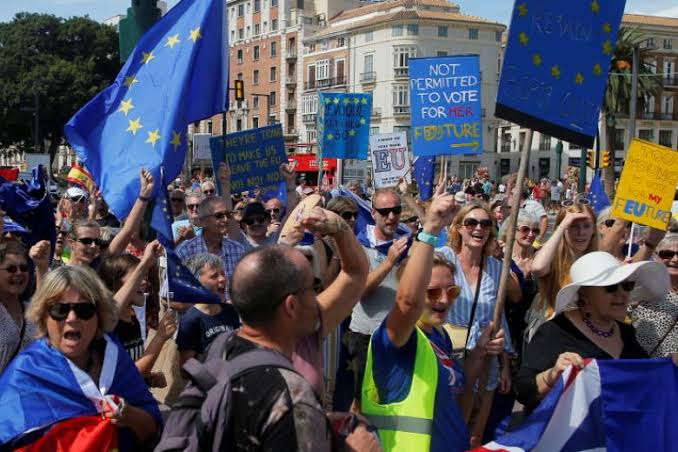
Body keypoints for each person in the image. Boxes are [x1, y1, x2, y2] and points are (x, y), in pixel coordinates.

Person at [214, 206, 374, 450]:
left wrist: (340, 230)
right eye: (313, 286)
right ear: (291, 305)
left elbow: (354, 273)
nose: (319, 293)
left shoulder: (222, 348)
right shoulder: (289, 392)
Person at [361, 191, 505, 451]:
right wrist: (430, 229)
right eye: (431, 292)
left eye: (452, 291)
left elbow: (458, 395)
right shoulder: (395, 338)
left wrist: (477, 355)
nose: (443, 300)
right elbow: (407, 303)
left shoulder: (440, 336)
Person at [0, 266, 161, 449]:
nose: (71, 318)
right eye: (60, 310)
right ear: (44, 316)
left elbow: (152, 430)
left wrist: (130, 416)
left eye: (84, 309)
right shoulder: (25, 374)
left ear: (99, 316)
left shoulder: (114, 359)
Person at [515, 251, 669, 413]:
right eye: (611, 287)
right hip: (573, 435)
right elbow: (523, 391)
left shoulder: (626, 332)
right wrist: (552, 375)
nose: (622, 294)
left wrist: (667, 364)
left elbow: (643, 376)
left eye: (627, 285)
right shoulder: (555, 331)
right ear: (584, 295)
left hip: (616, 433)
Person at [437, 202, 517, 445]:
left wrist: (504, 362)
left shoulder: (497, 269)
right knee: (446, 428)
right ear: (458, 228)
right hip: (448, 358)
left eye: (485, 224)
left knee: (474, 436)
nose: (478, 228)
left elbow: (499, 315)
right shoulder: (443, 258)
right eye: (471, 222)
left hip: (485, 361)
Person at [348, 189, 409, 404]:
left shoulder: (405, 245)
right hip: (367, 337)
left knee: (392, 402)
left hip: (397, 337)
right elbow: (359, 291)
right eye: (385, 212)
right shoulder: (358, 245)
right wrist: (389, 262)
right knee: (362, 402)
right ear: (373, 213)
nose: (391, 217)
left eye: (396, 210)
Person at [98, 243, 177, 385]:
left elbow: (131, 369)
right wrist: (160, 337)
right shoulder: (107, 324)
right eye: (137, 277)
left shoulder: (131, 315)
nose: (144, 282)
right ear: (115, 282)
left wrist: (148, 379)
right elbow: (130, 377)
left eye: (144, 277)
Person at [527, 202, 598, 343]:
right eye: (573, 226)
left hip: (587, 334)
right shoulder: (552, 257)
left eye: (587, 225)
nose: (581, 232)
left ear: (594, 229)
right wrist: (563, 224)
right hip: (552, 332)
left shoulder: (597, 259)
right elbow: (538, 268)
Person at [176, 253, 240, 366]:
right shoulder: (190, 320)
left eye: (223, 274)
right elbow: (185, 369)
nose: (222, 279)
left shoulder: (230, 311)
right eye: (214, 276)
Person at [176, 196, 245, 287]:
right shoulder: (185, 251)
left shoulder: (238, 250)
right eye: (219, 216)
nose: (225, 220)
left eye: (228, 215)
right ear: (203, 222)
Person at [631, 234, 678, 358]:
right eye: (667, 254)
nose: (675, 259)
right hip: (646, 367)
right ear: (656, 257)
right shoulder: (643, 286)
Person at [0, 241, 37, 373]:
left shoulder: (32, 310)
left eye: (24, 268)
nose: (19, 273)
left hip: (22, 391)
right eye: (11, 269)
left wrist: (42, 267)